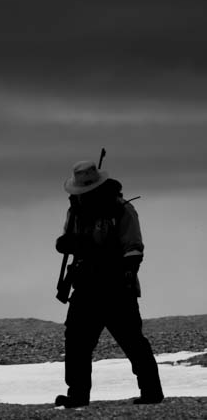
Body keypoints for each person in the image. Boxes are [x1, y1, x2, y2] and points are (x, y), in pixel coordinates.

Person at [54, 160, 164, 408]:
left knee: (132, 342)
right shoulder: (75, 211)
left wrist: (125, 273)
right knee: (77, 342)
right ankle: (77, 395)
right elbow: (66, 239)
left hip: (116, 288)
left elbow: (133, 247)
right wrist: (67, 243)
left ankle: (151, 392)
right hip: (86, 286)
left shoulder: (121, 210)